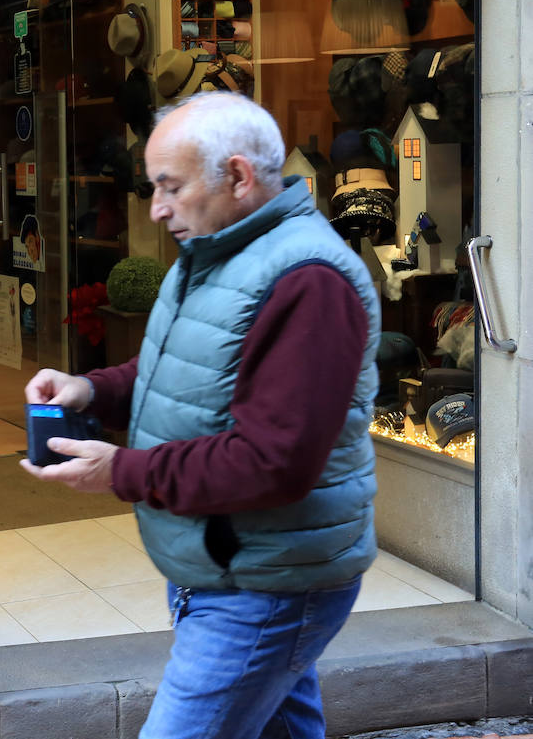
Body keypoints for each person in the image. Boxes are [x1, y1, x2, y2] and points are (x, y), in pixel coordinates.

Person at [23, 92, 379, 739]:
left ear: (238, 177)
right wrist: (89, 389)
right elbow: (185, 373)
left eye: (170, 187)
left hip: (265, 582)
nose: (156, 208)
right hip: (229, 566)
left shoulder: (310, 281)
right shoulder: (220, 252)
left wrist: (121, 469)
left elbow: (274, 460)